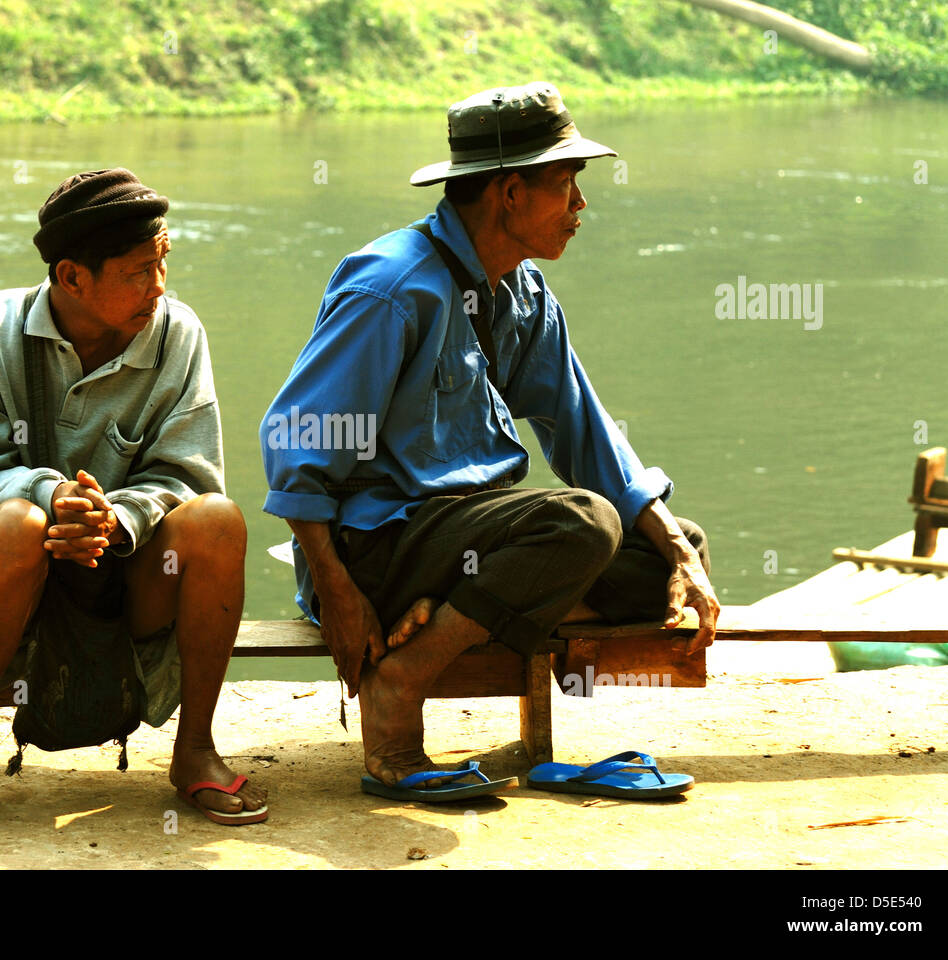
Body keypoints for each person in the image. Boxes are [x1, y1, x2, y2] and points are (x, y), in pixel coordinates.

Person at [259, 82, 720, 798]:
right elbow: (296, 445)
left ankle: (441, 621)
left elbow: (584, 434)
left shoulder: (523, 292)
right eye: (565, 185)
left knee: (658, 552)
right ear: (508, 193)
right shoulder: (391, 286)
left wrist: (681, 552)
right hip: (377, 544)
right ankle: (398, 684)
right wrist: (338, 590)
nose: (580, 206)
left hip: (465, 544)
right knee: (582, 523)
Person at [0, 168, 267, 832]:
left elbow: (189, 473)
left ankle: (196, 750)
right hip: (11, 575)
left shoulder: (177, 334)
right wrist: (56, 499)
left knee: (217, 520)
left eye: (163, 263)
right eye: (137, 272)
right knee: (17, 520)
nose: (159, 287)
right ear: (71, 278)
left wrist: (112, 521)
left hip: (131, 569)